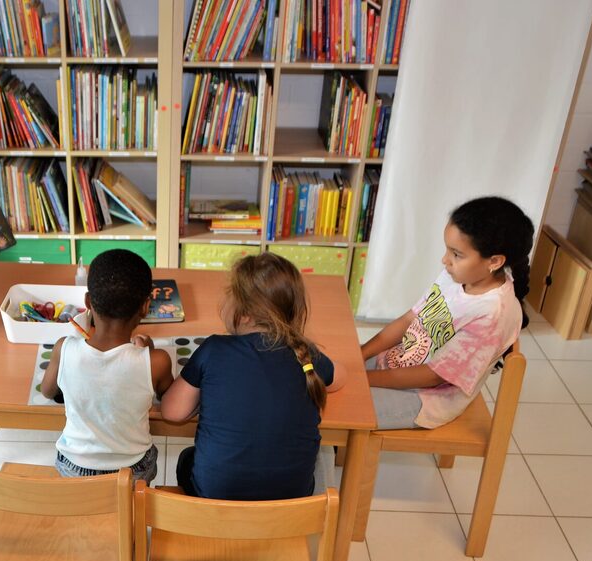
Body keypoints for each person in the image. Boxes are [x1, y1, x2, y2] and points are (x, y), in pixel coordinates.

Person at [160, 253, 347, 500]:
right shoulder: (305, 354)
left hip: (215, 504)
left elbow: (172, 412)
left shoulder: (214, 349)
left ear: (245, 314)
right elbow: (340, 377)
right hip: (290, 504)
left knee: (187, 458)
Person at [360, 196, 535, 429]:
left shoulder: (493, 315)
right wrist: (358, 356)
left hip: (425, 399)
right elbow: (409, 319)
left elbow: (434, 375)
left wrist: (362, 379)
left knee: (334, 406)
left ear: (494, 261)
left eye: (456, 254)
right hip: (396, 365)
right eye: (447, 250)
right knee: (319, 374)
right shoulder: (458, 275)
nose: (445, 260)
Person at [40, 249, 174, 482]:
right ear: (145, 307)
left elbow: (47, 391)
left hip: (73, 470)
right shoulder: (157, 361)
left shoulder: (64, 348)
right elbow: (168, 399)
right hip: (132, 473)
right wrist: (147, 351)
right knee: (149, 456)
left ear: (88, 302)